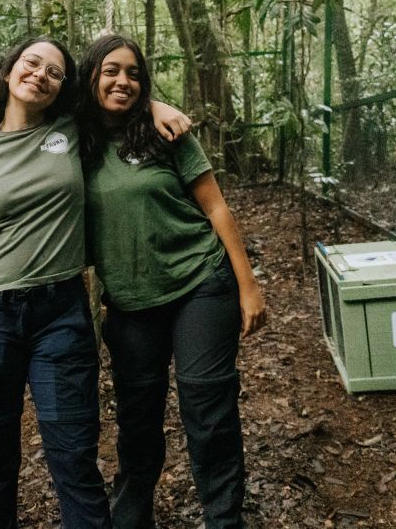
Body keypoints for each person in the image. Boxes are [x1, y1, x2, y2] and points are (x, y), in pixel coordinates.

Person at [0, 36, 191, 529]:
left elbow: (118, 95)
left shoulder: (72, 130)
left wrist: (156, 101)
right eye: (32, 63)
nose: (41, 75)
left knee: (74, 455)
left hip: (61, 314)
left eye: (55, 73)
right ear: (9, 70)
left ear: (62, 89)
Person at [76, 34, 267, 529]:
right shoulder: (74, 142)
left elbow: (216, 207)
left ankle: (225, 520)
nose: (124, 81)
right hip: (130, 303)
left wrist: (248, 284)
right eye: (112, 71)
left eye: (135, 74)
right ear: (91, 76)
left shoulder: (166, 133)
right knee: (138, 420)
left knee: (208, 411)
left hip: (200, 283)